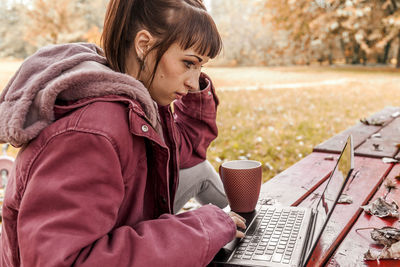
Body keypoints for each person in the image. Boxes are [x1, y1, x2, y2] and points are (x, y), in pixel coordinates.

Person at [0, 0, 247, 266]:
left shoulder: (140, 99)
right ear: (144, 45)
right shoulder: (92, 133)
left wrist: (198, 93)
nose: (192, 81)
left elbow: (186, 153)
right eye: (189, 63)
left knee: (204, 176)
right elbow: (65, 261)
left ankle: (249, 223)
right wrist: (202, 229)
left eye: (201, 67)